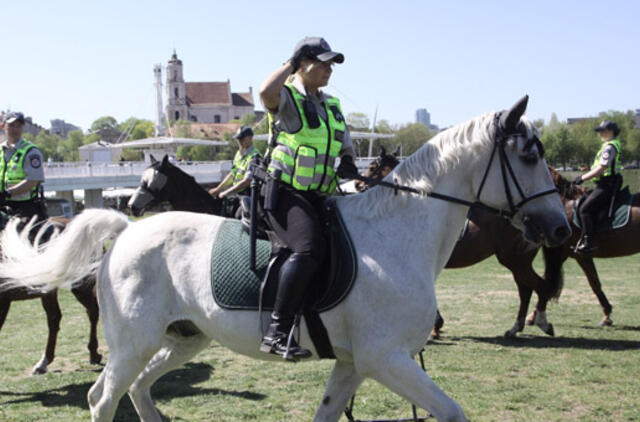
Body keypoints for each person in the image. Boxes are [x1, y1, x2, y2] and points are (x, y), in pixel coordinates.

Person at [257, 36, 360, 359]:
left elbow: (345, 145)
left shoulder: (332, 105)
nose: (329, 69)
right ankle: (276, 332)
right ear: (303, 65)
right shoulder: (287, 97)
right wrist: (290, 61)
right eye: (323, 63)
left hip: (321, 196)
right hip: (284, 194)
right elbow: (264, 93)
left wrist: (348, 162)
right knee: (308, 247)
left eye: (332, 64)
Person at [573, 120, 623, 253]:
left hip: (607, 185)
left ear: (611, 131)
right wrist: (589, 168)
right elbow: (603, 166)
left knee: (584, 210)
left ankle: (589, 243)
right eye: (599, 131)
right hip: (607, 183)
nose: (600, 133)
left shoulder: (609, 147)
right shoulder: (609, 145)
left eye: (603, 130)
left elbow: (602, 168)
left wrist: (582, 178)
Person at [0, 111, 47, 225]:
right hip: (3, 205)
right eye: (11, 125)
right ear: (3, 126)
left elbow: (32, 181)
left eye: (19, 126)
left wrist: (8, 193)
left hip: (26, 209)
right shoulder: (1, 150)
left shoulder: (31, 152)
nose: (15, 130)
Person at [208, 126, 262, 208]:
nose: (239, 141)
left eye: (242, 138)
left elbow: (247, 181)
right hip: (239, 196)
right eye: (238, 139)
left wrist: (226, 192)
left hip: (250, 198)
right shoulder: (238, 154)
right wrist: (217, 190)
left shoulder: (255, 156)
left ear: (250, 138)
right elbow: (232, 175)